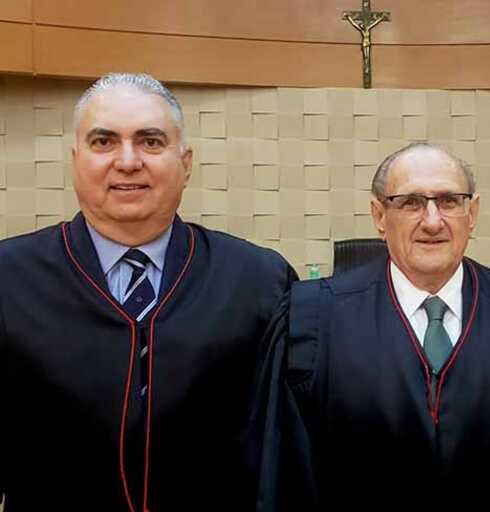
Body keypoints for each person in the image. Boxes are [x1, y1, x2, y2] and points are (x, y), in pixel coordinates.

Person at [250, 142, 490, 511]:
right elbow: (283, 476)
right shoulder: (312, 322)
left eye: (450, 201)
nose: (433, 221)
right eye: (411, 203)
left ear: (472, 214)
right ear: (379, 216)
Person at [0, 73, 297, 511]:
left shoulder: (259, 282)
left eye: (151, 142)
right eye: (104, 142)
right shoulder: (9, 278)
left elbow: (287, 444)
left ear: (186, 161)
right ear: (75, 159)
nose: (127, 160)